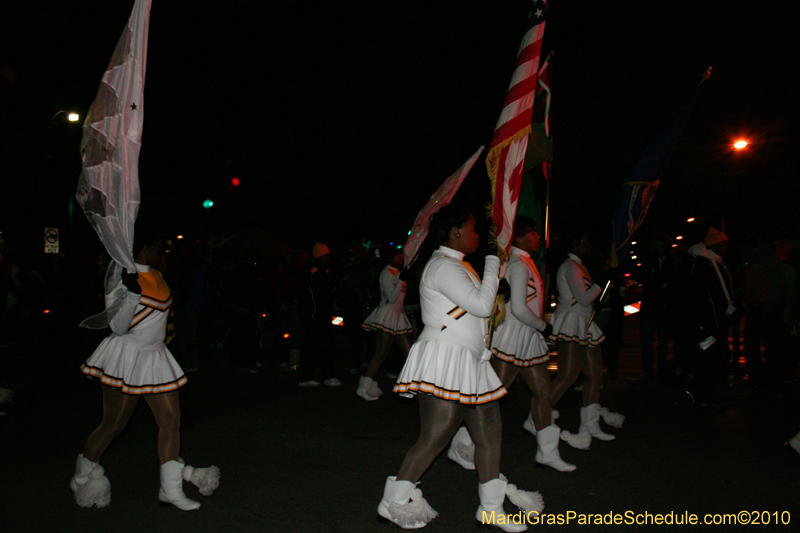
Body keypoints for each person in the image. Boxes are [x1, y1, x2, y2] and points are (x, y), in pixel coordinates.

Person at [377, 205, 542, 531]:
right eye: (472, 228)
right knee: (436, 435)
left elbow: (479, 309)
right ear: (454, 232)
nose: (478, 235)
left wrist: (498, 266)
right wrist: (494, 262)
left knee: (490, 430)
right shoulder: (442, 267)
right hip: (445, 357)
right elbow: (481, 305)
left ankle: (491, 508)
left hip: (468, 361)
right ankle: (393, 500)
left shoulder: (458, 266)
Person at [70, 234, 219, 510]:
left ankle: (170, 491)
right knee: (114, 424)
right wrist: (131, 295)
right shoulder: (121, 278)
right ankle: (81, 476)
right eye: (157, 250)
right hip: (127, 358)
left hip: (156, 357)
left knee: (171, 420)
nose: (162, 255)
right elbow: (118, 326)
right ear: (143, 250)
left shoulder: (158, 275)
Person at [447, 216, 573, 472]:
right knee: (491, 395)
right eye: (533, 233)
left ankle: (547, 451)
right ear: (519, 238)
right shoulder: (517, 264)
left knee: (542, 392)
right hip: (514, 337)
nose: (538, 237)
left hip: (527, 338)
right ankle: (461, 440)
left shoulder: (524, 262)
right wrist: (544, 327)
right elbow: (518, 308)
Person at [548, 231, 623, 449]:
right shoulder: (570, 266)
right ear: (574, 244)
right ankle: (537, 417)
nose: (588, 246)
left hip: (584, 322)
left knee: (594, 374)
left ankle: (590, 426)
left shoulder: (580, 267)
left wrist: (602, 287)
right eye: (584, 242)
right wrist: (601, 283)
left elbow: (589, 300)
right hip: (572, 322)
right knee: (568, 375)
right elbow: (582, 299)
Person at [671, 226, 734, 408]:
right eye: (723, 243)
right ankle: (698, 392)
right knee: (709, 356)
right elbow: (705, 298)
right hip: (704, 324)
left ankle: (694, 387)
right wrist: (711, 324)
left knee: (708, 356)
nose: (725, 247)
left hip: (707, 323)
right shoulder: (701, 264)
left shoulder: (710, 262)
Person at [357, 246, 414, 401]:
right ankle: (363, 387)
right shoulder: (386, 273)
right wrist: (403, 277)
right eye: (397, 255)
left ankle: (408, 384)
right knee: (381, 353)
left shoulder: (396, 272)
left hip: (397, 316)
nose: (400, 256)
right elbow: (391, 297)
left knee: (410, 352)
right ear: (389, 258)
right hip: (388, 315)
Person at [296, 242, 341, 387]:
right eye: (325, 256)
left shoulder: (324, 272)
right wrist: (310, 315)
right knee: (314, 347)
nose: (327, 259)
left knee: (324, 346)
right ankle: (309, 377)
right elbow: (311, 297)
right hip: (315, 317)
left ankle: (323, 376)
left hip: (323, 316)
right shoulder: (312, 273)